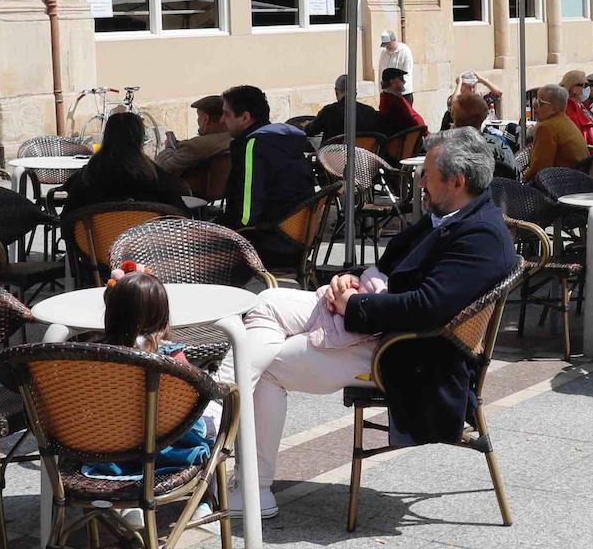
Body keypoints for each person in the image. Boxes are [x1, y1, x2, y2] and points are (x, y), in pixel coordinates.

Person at [217, 128, 518, 518]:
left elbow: (428, 307)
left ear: (457, 181)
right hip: (376, 321)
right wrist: (351, 278)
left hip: (407, 353)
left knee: (269, 365)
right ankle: (213, 406)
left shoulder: (481, 237)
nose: (420, 182)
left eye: (427, 174)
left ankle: (252, 485)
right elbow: (394, 265)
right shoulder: (452, 215)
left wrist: (355, 305)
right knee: (269, 300)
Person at [88, 267, 216, 490]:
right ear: (162, 315)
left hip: (111, 448)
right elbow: (192, 393)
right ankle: (204, 501)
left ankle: (127, 511)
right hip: (165, 444)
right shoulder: (169, 354)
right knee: (217, 420)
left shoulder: (94, 356)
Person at [220, 85, 314, 236]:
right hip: (296, 236)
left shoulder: (254, 145)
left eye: (226, 114)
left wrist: (215, 230)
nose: (221, 120)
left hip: (268, 241)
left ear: (245, 118)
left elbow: (247, 216)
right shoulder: (281, 139)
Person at [62, 112, 190, 218]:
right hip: (143, 246)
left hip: (94, 246)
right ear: (140, 138)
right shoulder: (153, 176)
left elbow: (68, 213)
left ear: (106, 136)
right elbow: (180, 209)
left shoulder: (89, 173)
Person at [523, 84, 590, 180]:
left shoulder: (547, 128)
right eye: (535, 100)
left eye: (539, 102)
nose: (534, 106)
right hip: (577, 180)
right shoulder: (564, 120)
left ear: (554, 108)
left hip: (561, 184)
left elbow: (540, 168)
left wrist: (522, 180)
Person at [156, 94, 233, 176]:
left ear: (205, 119)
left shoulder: (195, 146)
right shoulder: (235, 137)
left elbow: (163, 167)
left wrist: (168, 147)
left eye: (199, 116)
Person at [449, 93, 517, 179]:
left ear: (455, 119)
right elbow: (515, 173)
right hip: (504, 190)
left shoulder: (448, 148)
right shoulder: (498, 144)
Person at [306, 74, 384, 145]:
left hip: (333, 158)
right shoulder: (370, 112)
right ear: (355, 92)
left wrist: (306, 125)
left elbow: (311, 131)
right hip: (363, 157)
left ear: (336, 92)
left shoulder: (329, 111)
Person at [439, 72, 504, 130]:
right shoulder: (458, 100)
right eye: (469, 87)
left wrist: (483, 80)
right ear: (462, 86)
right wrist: (459, 83)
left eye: (474, 86)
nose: (472, 90)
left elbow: (498, 93)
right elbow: (453, 103)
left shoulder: (480, 98)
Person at [378, 67, 427, 137]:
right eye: (401, 79)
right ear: (392, 82)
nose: (404, 82)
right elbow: (408, 122)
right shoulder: (391, 101)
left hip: (417, 135)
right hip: (413, 138)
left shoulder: (395, 97)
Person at [377, 31, 415, 102]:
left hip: (403, 94)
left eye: (389, 44)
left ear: (394, 40)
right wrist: (381, 91)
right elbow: (381, 73)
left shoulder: (405, 51)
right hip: (387, 93)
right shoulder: (384, 53)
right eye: (385, 45)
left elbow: (407, 73)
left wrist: (398, 89)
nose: (387, 47)